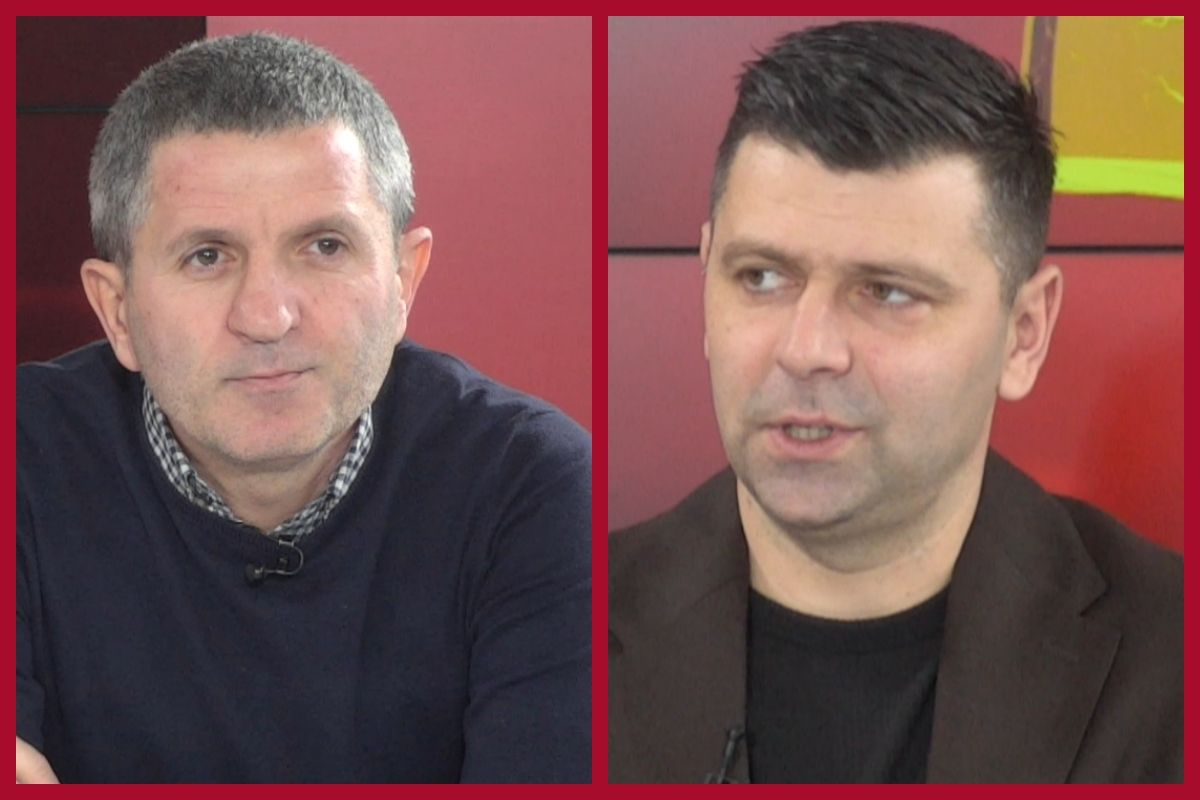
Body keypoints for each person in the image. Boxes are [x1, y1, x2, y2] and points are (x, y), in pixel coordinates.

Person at [609, 20, 1181, 783]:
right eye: (762, 278)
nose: (806, 349)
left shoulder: (1172, 664)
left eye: (887, 292)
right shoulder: (556, 621)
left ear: (1024, 334)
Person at [17, 33, 591, 783]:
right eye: (207, 256)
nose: (267, 317)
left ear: (403, 282)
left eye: (323, 246)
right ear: (117, 310)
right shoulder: (21, 458)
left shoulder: (528, 485)